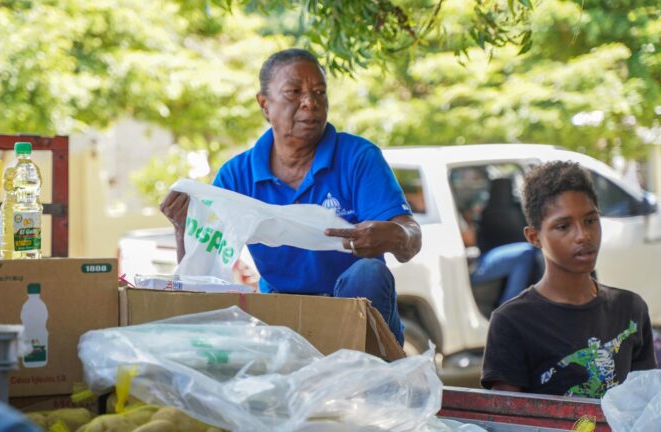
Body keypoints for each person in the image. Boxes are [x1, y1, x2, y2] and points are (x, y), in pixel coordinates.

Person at [160, 48, 422, 345]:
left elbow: (411, 237)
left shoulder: (358, 157)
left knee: (369, 272)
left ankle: (366, 369)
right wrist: (183, 228)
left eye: (319, 92)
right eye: (294, 92)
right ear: (264, 104)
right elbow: (199, 276)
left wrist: (395, 235)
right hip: (280, 318)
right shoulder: (237, 175)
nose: (310, 102)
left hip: (355, 315)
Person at [481, 161, 657, 397]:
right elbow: (504, 413)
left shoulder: (630, 309)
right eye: (563, 226)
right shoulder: (512, 322)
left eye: (590, 221)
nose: (583, 235)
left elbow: (645, 402)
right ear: (534, 237)